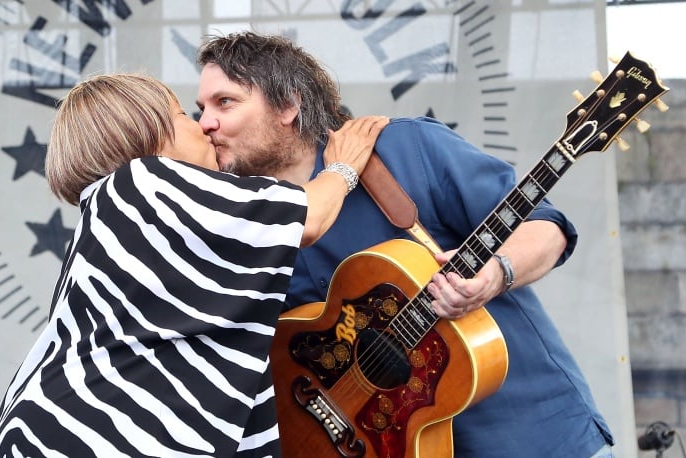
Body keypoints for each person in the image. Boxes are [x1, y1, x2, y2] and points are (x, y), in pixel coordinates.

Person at [196, 31, 615, 457]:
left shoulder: (405, 148)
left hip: (531, 433)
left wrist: (496, 273)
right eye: (202, 109)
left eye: (224, 102)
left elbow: (547, 227)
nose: (205, 123)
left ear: (288, 105)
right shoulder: (243, 219)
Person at [0, 72, 388, 457]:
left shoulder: (107, 221)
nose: (204, 126)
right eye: (184, 115)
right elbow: (309, 217)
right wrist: (343, 166)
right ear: (150, 133)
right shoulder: (143, 182)